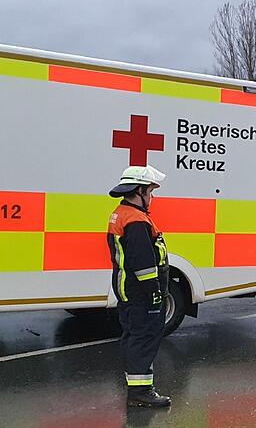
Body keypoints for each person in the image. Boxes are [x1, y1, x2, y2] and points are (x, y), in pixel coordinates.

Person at [107, 165, 171, 408]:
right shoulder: (135, 220)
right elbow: (142, 263)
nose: (152, 197)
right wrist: (154, 291)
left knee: (134, 337)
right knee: (144, 339)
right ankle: (141, 392)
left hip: (130, 291)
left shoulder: (123, 214)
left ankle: (137, 388)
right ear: (140, 191)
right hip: (140, 294)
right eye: (151, 192)